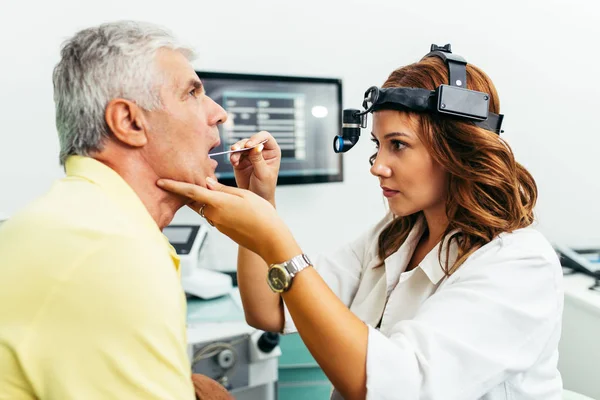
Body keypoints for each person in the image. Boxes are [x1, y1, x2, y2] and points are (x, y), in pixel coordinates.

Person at [157, 49, 564, 399]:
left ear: (457, 149)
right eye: (378, 146)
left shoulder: (518, 265)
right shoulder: (396, 234)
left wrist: (275, 237)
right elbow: (270, 310)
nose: (378, 167)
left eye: (398, 145)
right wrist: (262, 202)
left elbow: (393, 388)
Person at [0, 21, 232, 399]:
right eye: (191, 93)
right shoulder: (114, 252)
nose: (218, 113)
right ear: (129, 122)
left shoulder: (69, 221)